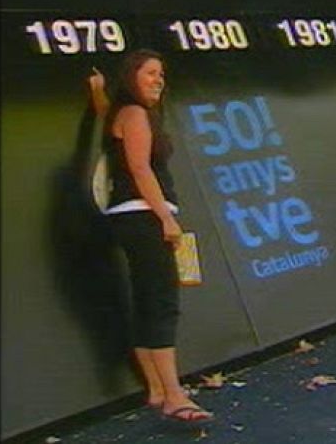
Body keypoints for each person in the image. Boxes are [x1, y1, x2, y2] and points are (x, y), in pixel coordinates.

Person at [87, 49, 214, 424]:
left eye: (162, 74)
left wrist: (97, 91)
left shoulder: (120, 113)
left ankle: (158, 390)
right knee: (161, 303)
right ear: (131, 77)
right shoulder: (137, 114)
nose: (159, 79)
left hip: (130, 219)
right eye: (151, 73)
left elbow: (102, 111)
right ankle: (175, 396)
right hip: (146, 217)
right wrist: (166, 219)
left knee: (148, 302)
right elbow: (141, 168)